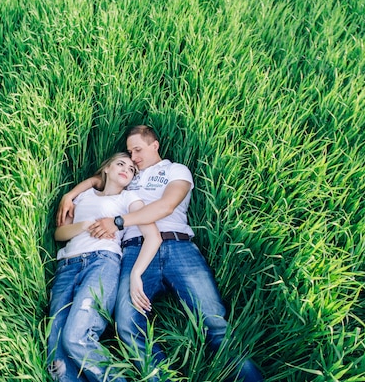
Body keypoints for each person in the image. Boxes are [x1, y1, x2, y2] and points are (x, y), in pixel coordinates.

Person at [56, 126, 264, 382]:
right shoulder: (128, 176)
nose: (133, 157)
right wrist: (70, 194)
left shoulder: (176, 170)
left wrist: (118, 221)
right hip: (134, 250)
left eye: (138, 150)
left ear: (154, 145)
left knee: (215, 323)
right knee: (128, 327)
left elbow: (166, 206)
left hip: (179, 248)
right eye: (130, 152)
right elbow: (100, 179)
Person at [47, 152, 162, 382]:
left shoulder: (129, 199)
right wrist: (85, 225)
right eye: (120, 164)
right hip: (68, 265)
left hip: (102, 262)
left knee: (77, 337)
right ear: (106, 169)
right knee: (56, 349)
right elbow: (60, 234)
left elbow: (153, 235)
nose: (126, 169)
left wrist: (136, 274)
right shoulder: (84, 196)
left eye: (131, 169)